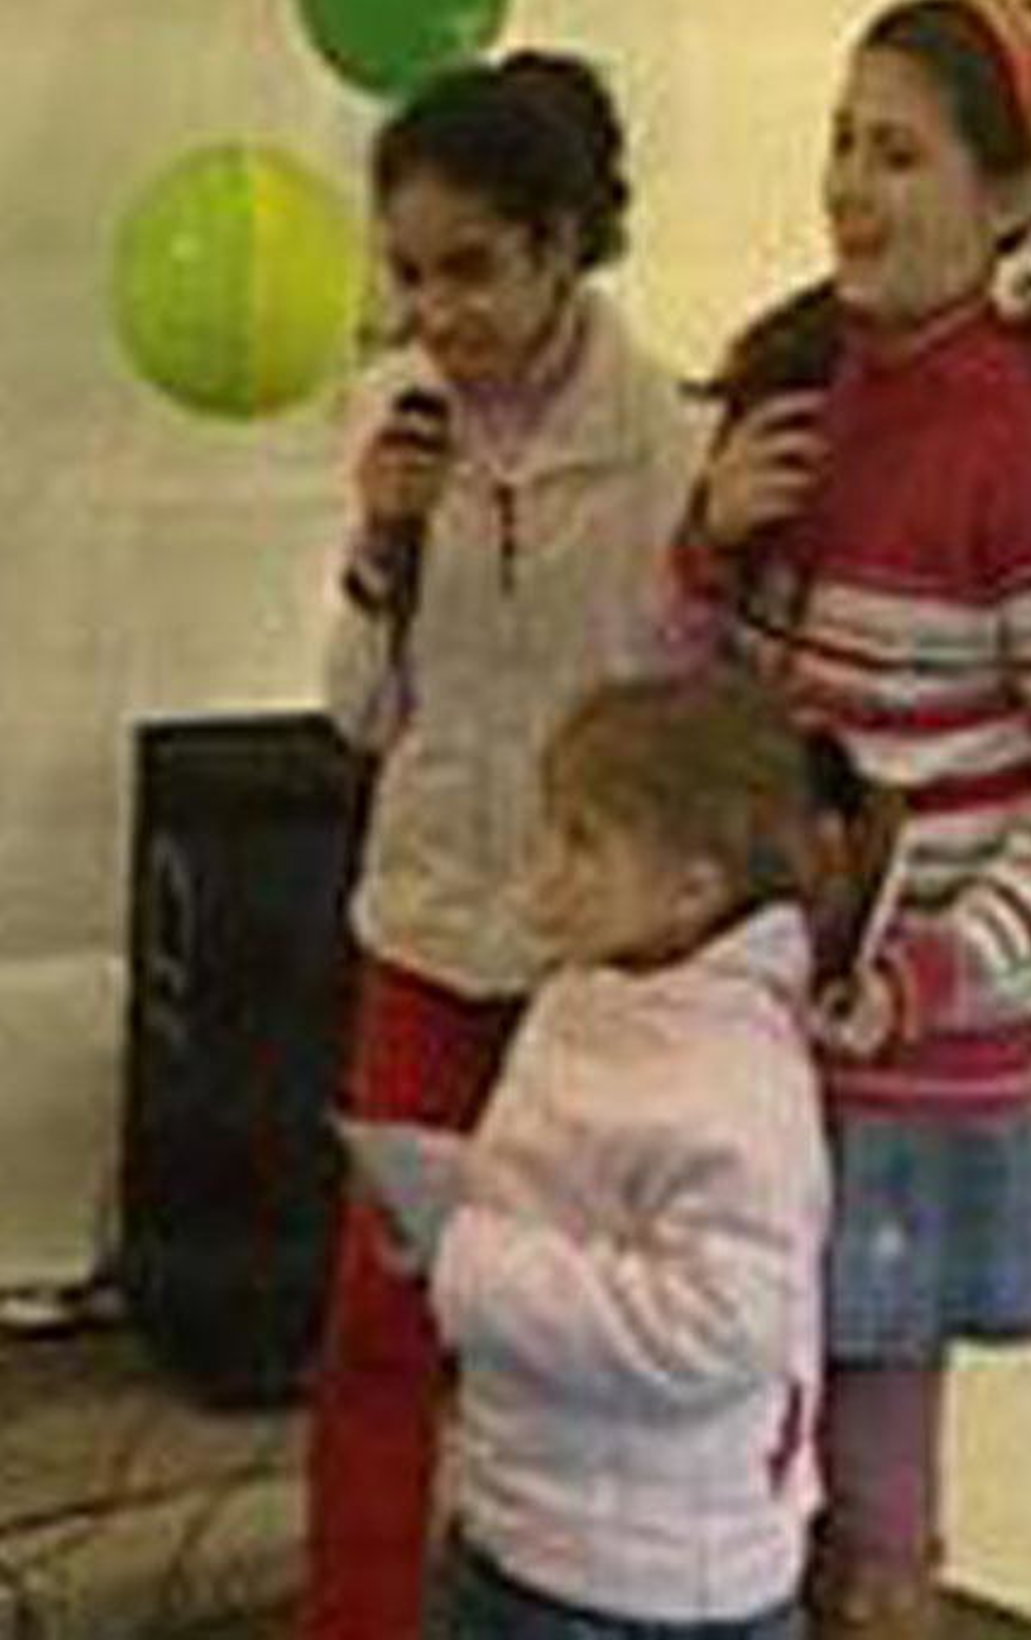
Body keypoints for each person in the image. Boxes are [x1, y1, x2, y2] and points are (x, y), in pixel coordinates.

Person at [668, 0, 1031, 1638]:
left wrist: (929, 974)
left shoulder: (1029, 451)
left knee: (872, 1492)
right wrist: (706, 547)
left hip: (910, 1071)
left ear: (1018, 196)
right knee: (735, 1454)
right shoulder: (800, 383)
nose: (848, 188)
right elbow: (695, 727)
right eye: (840, 143)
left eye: (898, 155)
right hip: (757, 1024)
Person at [303, 50, 706, 1640]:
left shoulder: (667, 443)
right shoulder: (393, 423)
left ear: (563, 246)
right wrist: (381, 541)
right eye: (409, 276)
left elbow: (682, 704)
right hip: (422, 933)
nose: (438, 314)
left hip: (587, 963)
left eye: (472, 269)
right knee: (380, 1323)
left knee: (566, 1333)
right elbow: (356, 713)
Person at [352, 667, 829, 1640]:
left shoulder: (734, 1079)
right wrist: (447, 1197)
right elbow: (573, 1194)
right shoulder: (590, 998)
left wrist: (472, 1260)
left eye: (583, 842)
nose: (545, 866)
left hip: (644, 1580)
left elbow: (711, 1327)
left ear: (693, 887)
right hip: (529, 1515)